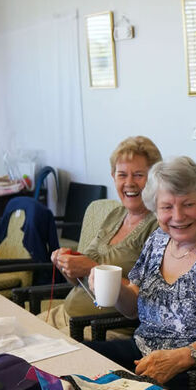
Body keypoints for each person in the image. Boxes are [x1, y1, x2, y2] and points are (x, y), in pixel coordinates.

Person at [87, 156, 196, 390]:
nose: (177, 216)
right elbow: (133, 307)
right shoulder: (158, 240)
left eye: (188, 204)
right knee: (76, 362)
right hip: (142, 353)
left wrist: (184, 357)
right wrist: (116, 289)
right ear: (155, 210)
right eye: (166, 207)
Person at [44, 136, 161, 335]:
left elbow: (146, 302)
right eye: (122, 175)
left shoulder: (159, 225)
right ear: (113, 176)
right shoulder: (115, 215)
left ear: (154, 179)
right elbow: (79, 280)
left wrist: (91, 267)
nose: (129, 183)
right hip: (65, 313)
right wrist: (68, 264)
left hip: (100, 329)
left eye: (139, 175)